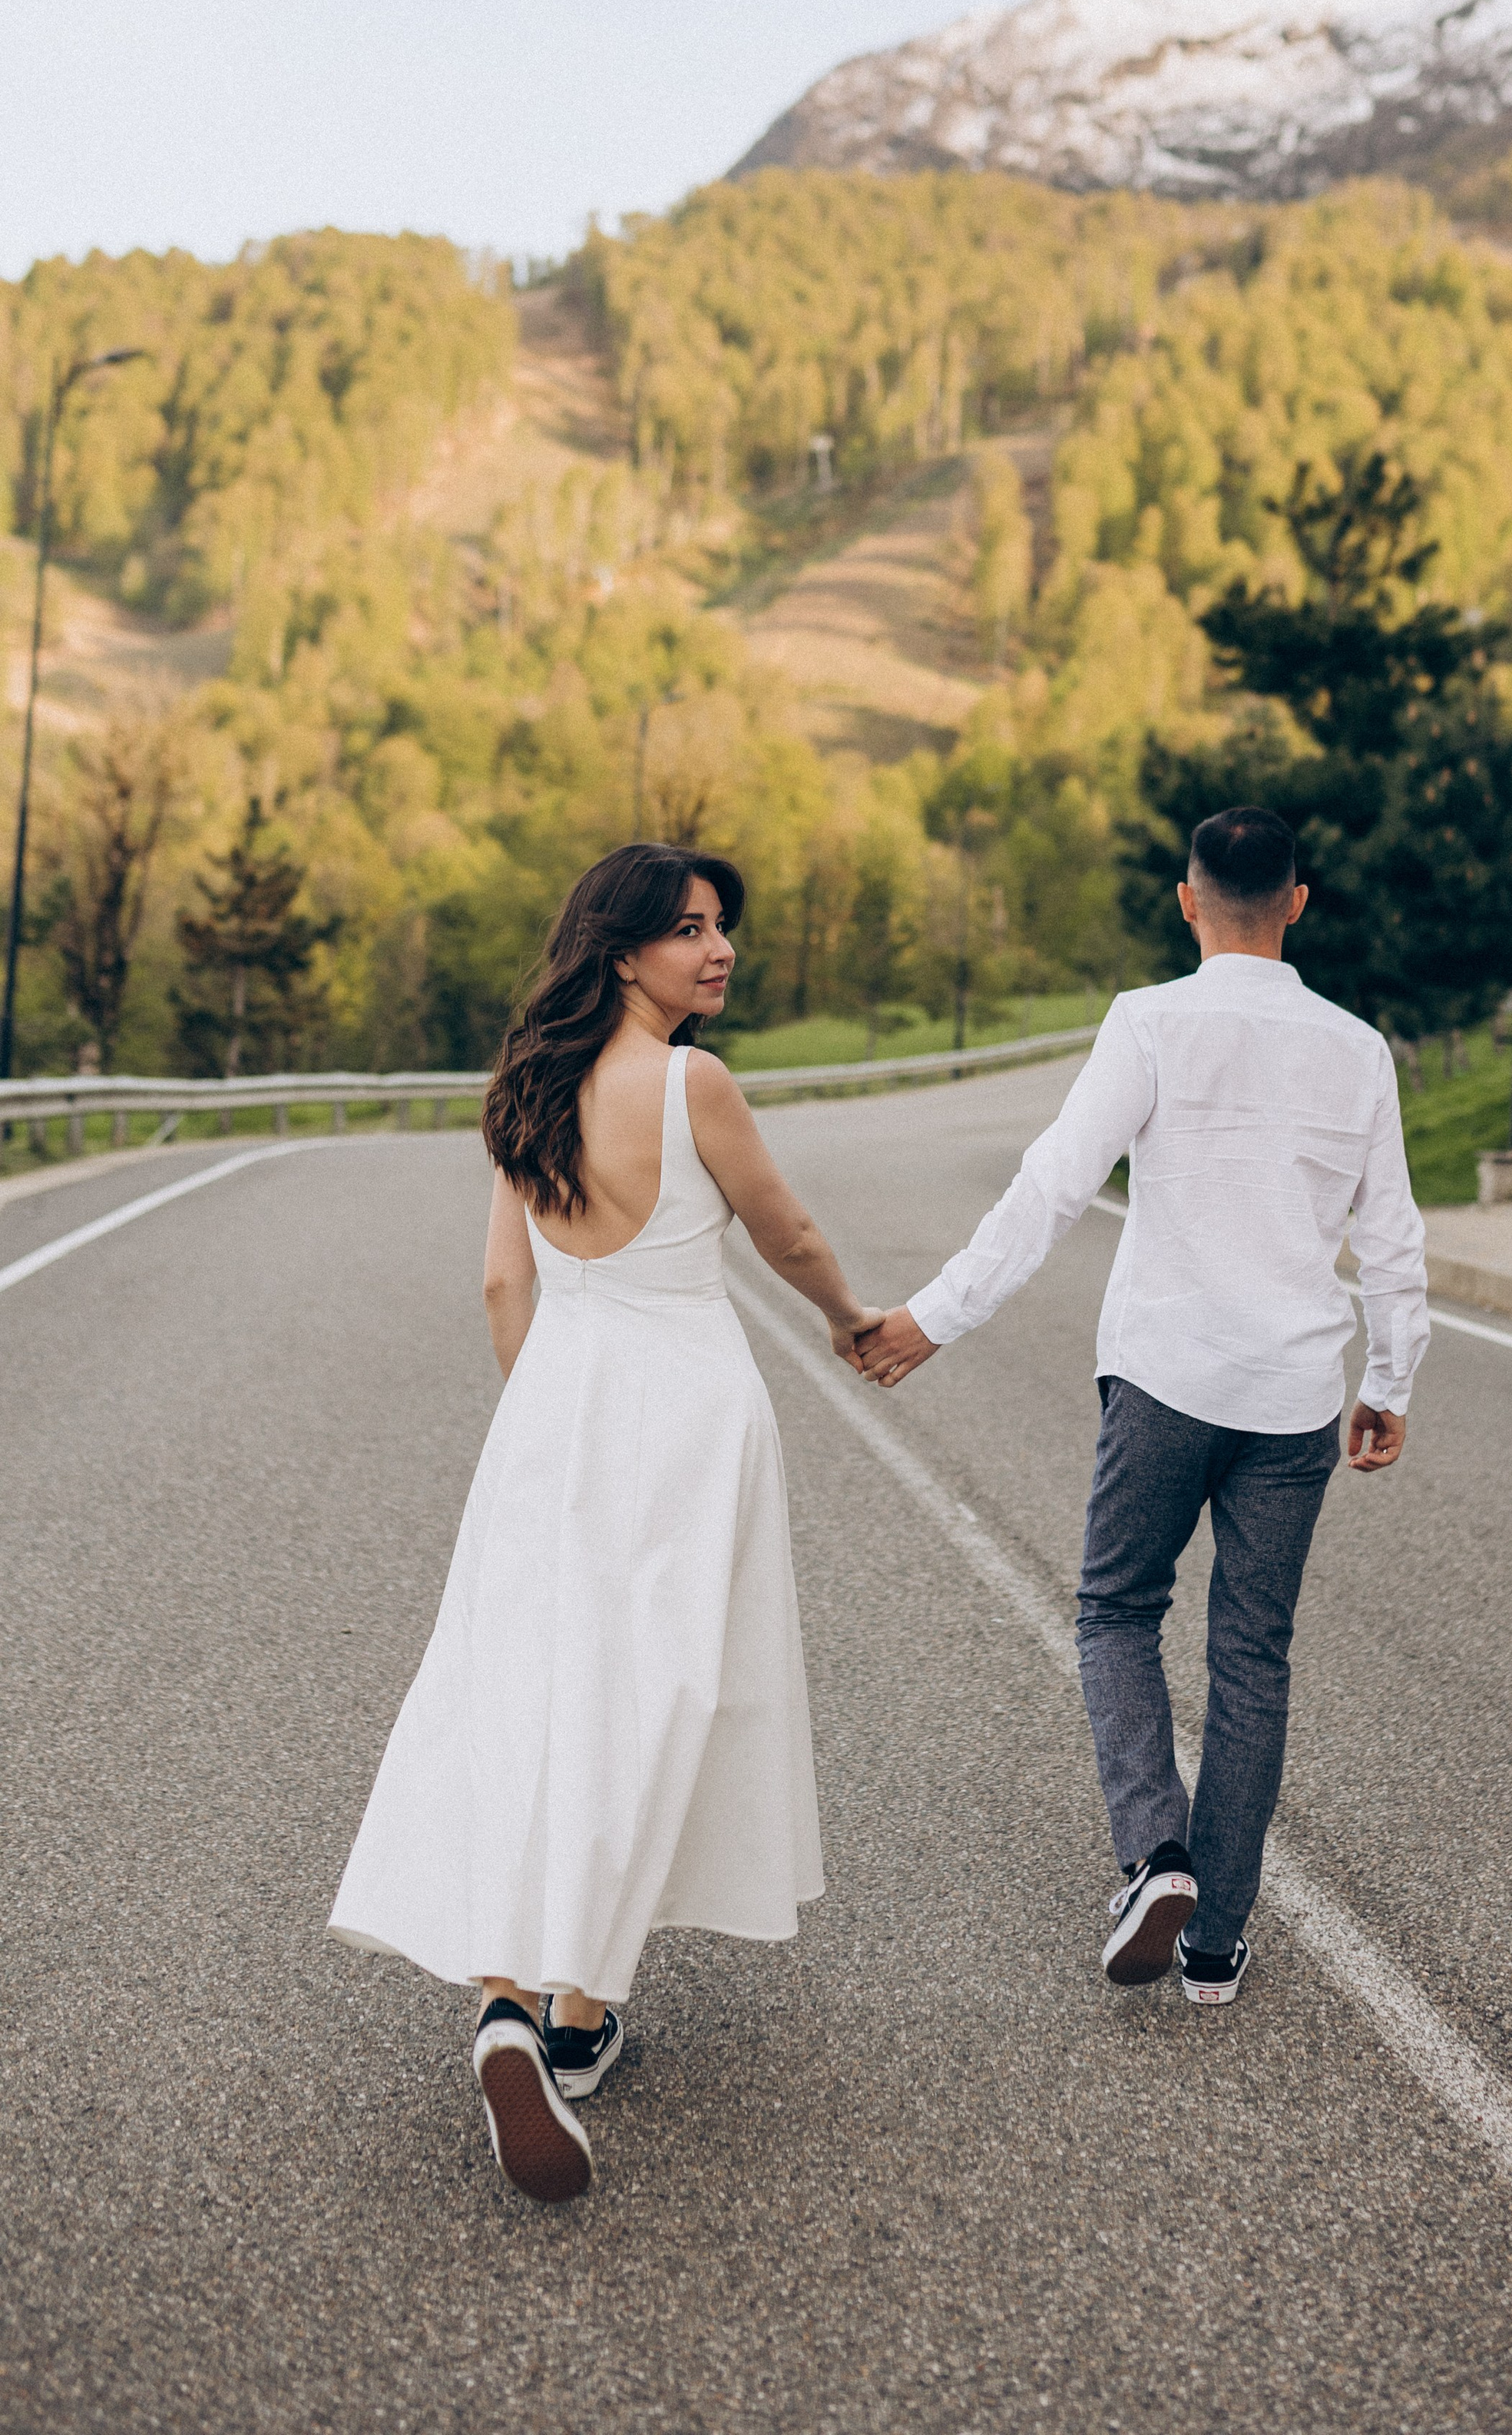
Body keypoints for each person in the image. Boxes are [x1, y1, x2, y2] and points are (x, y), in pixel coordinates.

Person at [329, 844, 881, 2202]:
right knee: (654, 1700)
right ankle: (577, 2009)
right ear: (621, 952)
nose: (718, 949)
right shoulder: (693, 1082)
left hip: (553, 1416)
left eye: (720, 928)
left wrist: (552, 1420)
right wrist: (847, 1318)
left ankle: (518, 2008)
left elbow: (500, 1288)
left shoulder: (526, 1091)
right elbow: (787, 1229)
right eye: (687, 930)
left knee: (530, 1689)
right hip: (687, 1417)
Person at [854, 806, 1429, 2007]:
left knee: (1117, 1609)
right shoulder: (1356, 1047)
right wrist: (1388, 1380)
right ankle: (1215, 1945)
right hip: (1290, 1400)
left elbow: (1053, 1183)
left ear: (1187, 900)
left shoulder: (1151, 1022)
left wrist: (934, 1316)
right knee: (1252, 1656)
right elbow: (1393, 1240)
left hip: (1166, 1377)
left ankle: (1154, 1854)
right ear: (1299, 902)